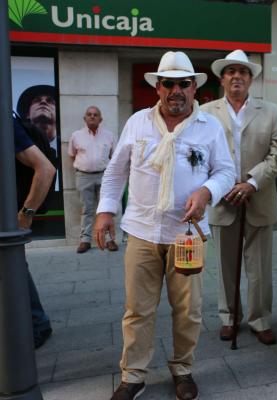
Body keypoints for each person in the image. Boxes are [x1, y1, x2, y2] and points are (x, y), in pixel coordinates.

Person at [94, 51, 235, 400]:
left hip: (187, 235)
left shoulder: (210, 127)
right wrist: (105, 211)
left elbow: (226, 172)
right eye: (168, 83)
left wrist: (207, 191)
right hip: (142, 231)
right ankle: (133, 375)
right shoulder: (138, 122)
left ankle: (183, 369)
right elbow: (116, 171)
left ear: (194, 88)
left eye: (183, 84)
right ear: (158, 88)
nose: (176, 90)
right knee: (137, 309)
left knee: (189, 310)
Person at [200, 49, 277, 345]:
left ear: (251, 79)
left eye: (243, 72)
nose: (237, 76)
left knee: (259, 267)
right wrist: (221, 185)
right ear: (222, 78)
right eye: (231, 71)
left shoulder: (271, 111)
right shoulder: (206, 113)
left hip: (258, 198)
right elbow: (202, 156)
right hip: (223, 201)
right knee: (225, 266)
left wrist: (252, 181)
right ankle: (229, 317)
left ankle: (260, 319)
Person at [13, 115, 56, 349]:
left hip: (9, 215)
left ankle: (36, 323)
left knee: (13, 265)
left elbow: (45, 169)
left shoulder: (6, 122)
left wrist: (25, 214)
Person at [68, 106, 118, 253]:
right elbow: (72, 154)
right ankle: (85, 240)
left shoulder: (109, 135)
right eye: (89, 114)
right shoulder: (76, 135)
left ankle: (110, 240)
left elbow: (114, 156)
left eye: (95, 115)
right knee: (87, 209)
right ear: (85, 118)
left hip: (104, 176)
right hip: (83, 176)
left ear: (100, 119)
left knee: (106, 208)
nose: (92, 117)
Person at [17, 84, 58, 150]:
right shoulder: (17, 141)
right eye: (37, 100)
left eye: (50, 101)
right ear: (27, 114)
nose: (43, 102)